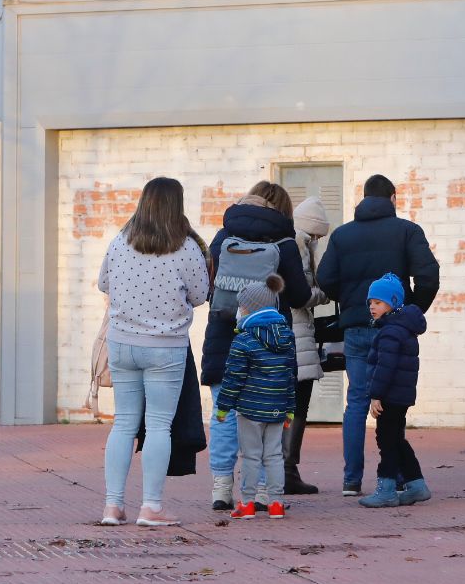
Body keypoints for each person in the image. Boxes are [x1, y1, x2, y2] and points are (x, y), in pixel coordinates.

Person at [315, 172, 439, 498]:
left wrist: (353, 301)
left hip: (357, 326)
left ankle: (351, 480)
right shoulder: (408, 231)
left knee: (357, 400)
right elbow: (428, 275)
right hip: (396, 329)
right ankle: (399, 476)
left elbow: (325, 278)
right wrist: (411, 313)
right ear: (393, 198)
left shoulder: (343, 235)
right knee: (394, 402)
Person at [97, 177, 209, 528]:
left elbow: (103, 284)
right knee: (159, 425)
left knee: (124, 423)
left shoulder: (120, 242)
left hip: (122, 342)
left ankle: (113, 506)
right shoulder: (187, 248)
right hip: (165, 347)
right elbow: (200, 295)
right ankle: (151, 506)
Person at [202, 184, 312, 510]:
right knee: (268, 419)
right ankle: (264, 491)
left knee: (224, 416)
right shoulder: (285, 242)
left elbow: (209, 285)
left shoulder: (224, 236)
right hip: (270, 346)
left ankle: (222, 489)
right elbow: (300, 296)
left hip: (226, 339)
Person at [215, 275, 298, 520]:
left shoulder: (243, 339)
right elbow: (290, 375)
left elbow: (233, 377)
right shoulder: (287, 336)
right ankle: (276, 503)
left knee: (251, 455)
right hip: (277, 408)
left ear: (250, 308)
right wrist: (290, 408)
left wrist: (223, 407)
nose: (239, 310)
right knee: (273, 455)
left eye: (241, 306)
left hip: (249, 409)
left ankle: (248, 503)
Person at [356, 274, 430, 508]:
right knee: (396, 439)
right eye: (370, 302)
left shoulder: (390, 332)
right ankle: (416, 485)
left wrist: (376, 395)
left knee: (386, 441)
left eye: (378, 302)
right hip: (401, 395)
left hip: (390, 395)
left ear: (393, 302)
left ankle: (386, 489)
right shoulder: (402, 328)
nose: (372, 307)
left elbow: (384, 368)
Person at [283, 196, 332, 495]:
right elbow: (300, 295)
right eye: (317, 235)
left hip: (288, 333)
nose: (317, 241)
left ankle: (281, 469)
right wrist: (324, 294)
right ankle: (288, 470)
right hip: (297, 332)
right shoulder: (299, 245)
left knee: (285, 404)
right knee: (297, 403)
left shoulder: (286, 241)